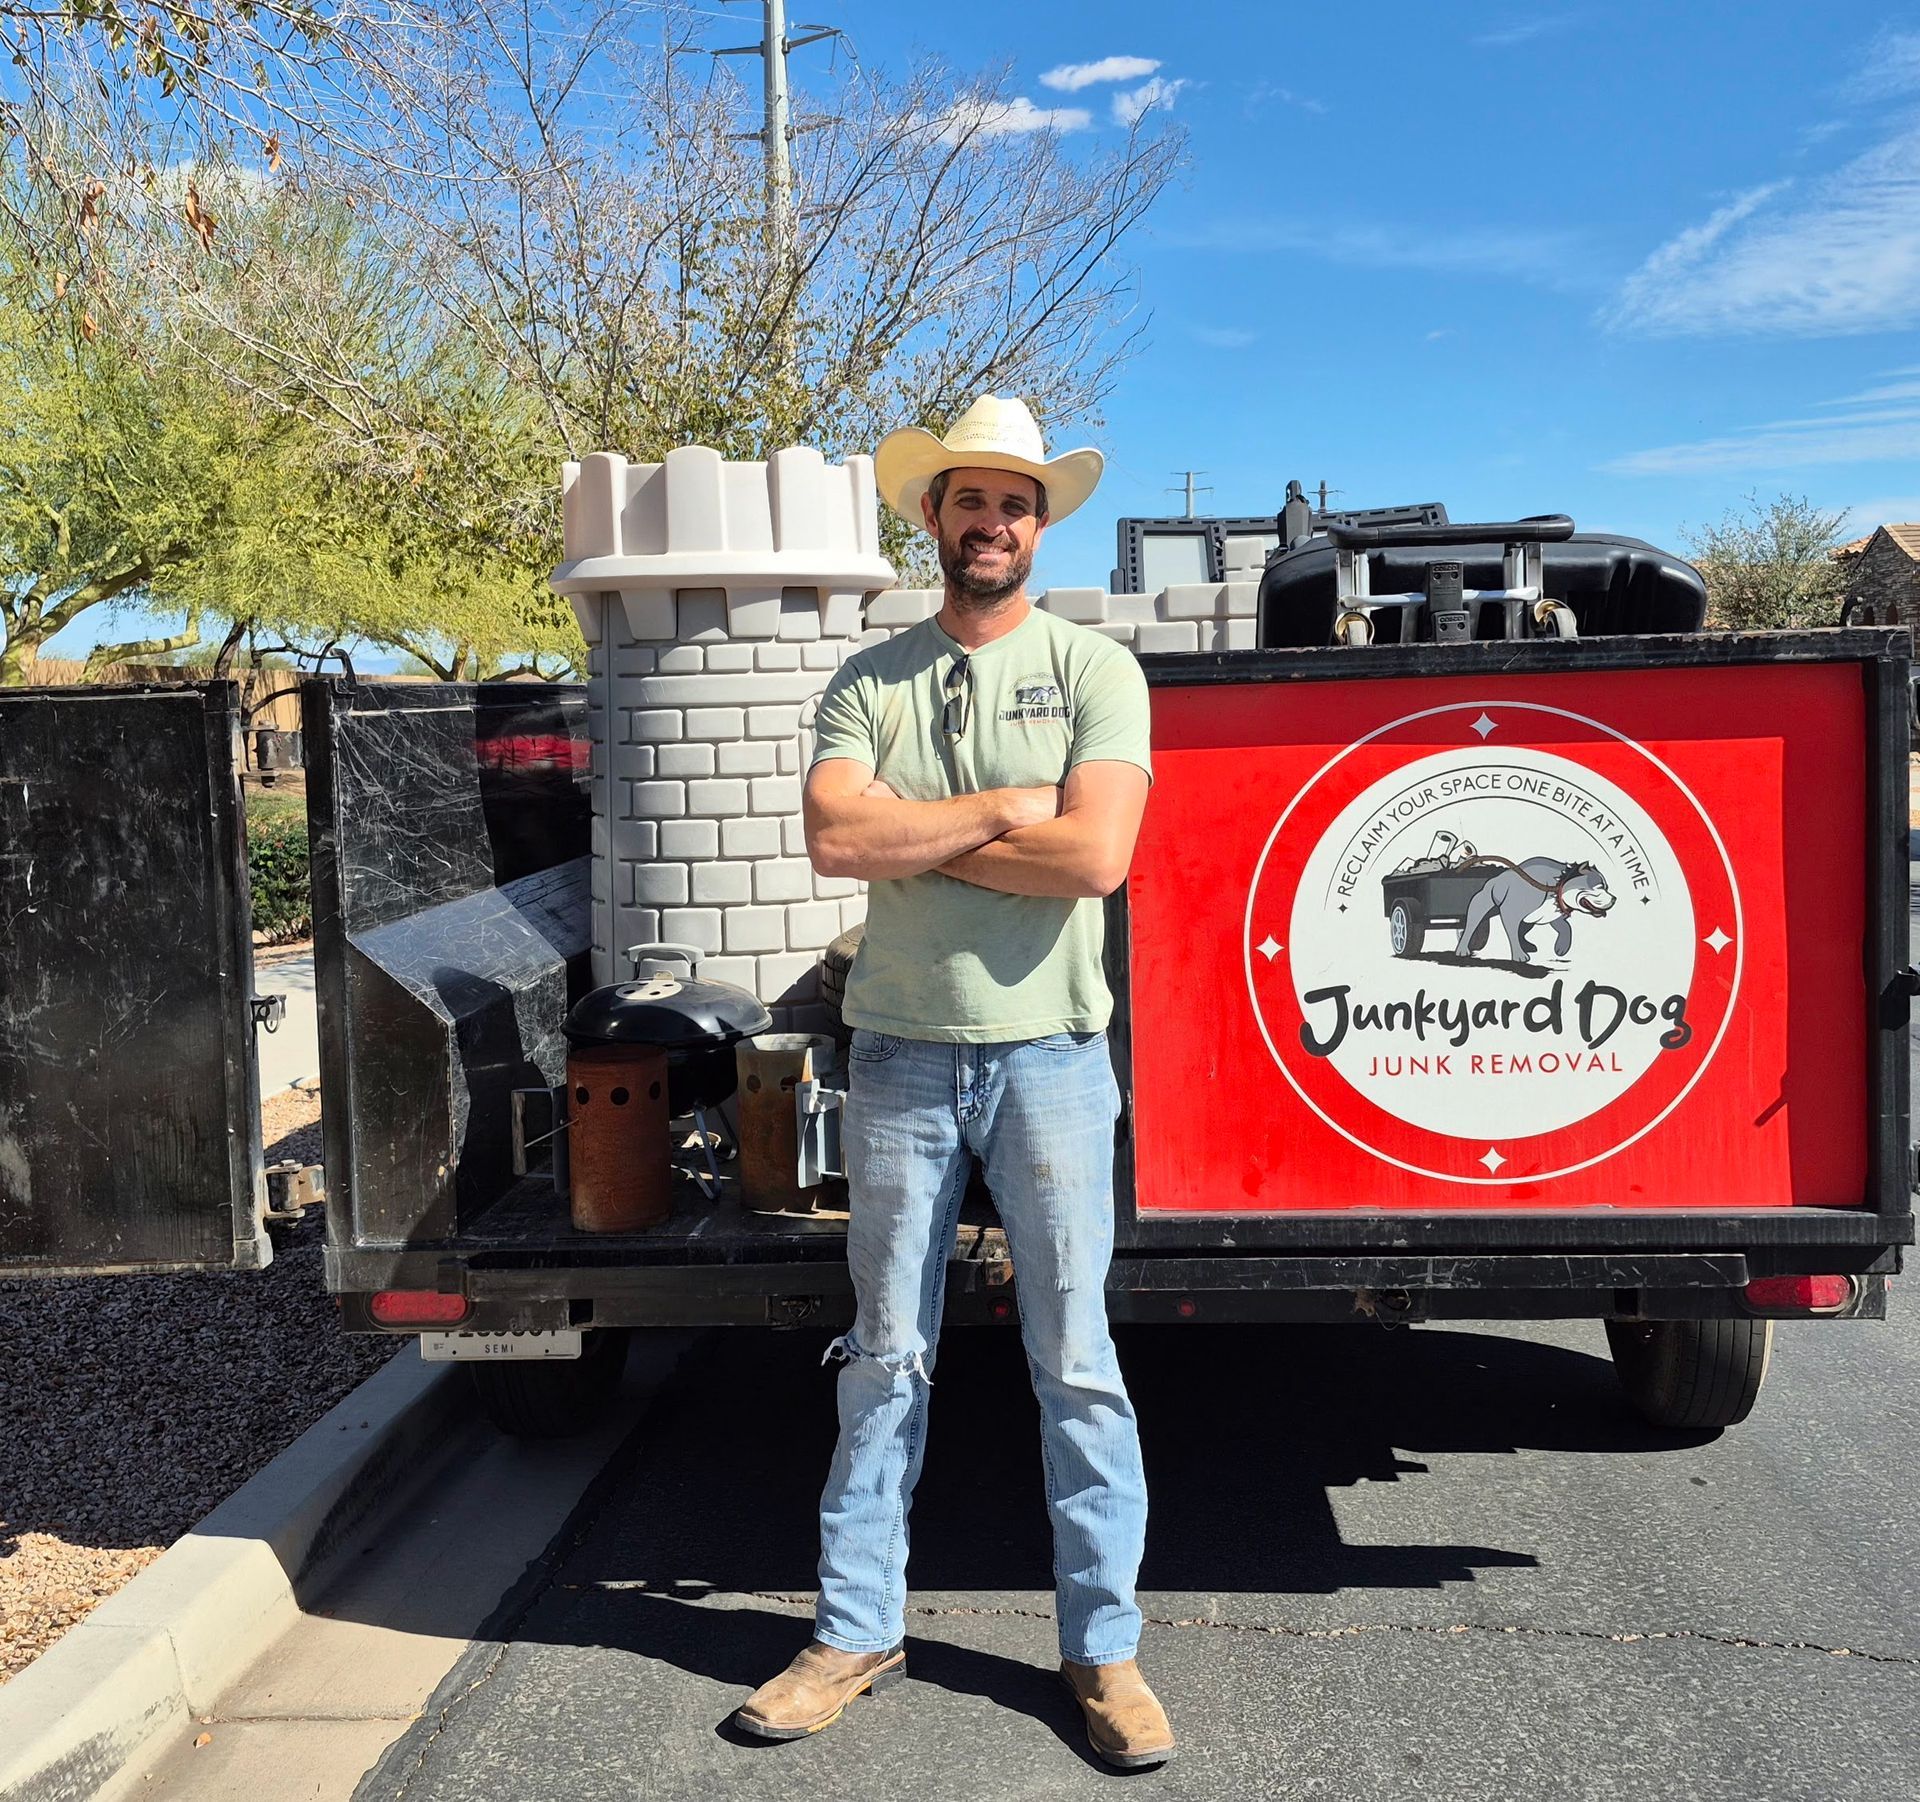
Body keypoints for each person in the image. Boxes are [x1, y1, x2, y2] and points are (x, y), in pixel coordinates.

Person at [732, 395, 1172, 1769]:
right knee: (885, 1357)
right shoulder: (870, 679)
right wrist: (997, 811)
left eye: (1016, 503)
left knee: (1078, 1361)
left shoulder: (1101, 672)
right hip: (905, 1056)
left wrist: (911, 838)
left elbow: (1096, 858)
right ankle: (855, 1629)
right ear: (932, 517)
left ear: (1042, 524)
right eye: (970, 500)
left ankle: (1104, 1649)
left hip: (1052, 1058)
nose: (993, 523)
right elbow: (831, 833)